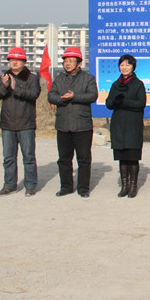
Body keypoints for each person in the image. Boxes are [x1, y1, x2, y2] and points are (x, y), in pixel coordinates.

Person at [48, 46, 98, 198]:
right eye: (65, 61)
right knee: (64, 159)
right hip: (63, 125)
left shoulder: (88, 78)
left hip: (82, 126)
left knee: (84, 159)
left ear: (79, 63)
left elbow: (92, 96)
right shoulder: (59, 79)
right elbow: (51, 96)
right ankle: (66, 187)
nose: (68, 64)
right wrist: (61, 99)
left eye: (71, 61)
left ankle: (83, 188)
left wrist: (74, 96)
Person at [0, 47, 41, 196]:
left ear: (24, 62)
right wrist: (5, 87)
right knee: (8, 157)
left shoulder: (32, 78)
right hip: (7, 124)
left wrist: (15, 87)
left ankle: (30, 185)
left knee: (28, 157)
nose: (14, 62)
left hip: (26, 124)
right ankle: (9, 185)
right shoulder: (4, 77)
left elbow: (34, 94)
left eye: (18, 60)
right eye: (12, 60)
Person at [105, 54, 146, 198]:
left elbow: (141, 103)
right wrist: (115, 101)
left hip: (133, 126)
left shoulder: (138, 84)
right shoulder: (115, 84)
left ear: (133, 67)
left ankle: (133, 186)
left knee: (132, 156)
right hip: (118, 125)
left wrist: (124, 102)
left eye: (128, 65)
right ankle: (125, 185)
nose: (124, 67)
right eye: (122, 65)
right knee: (122, 157)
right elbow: (109, 103)